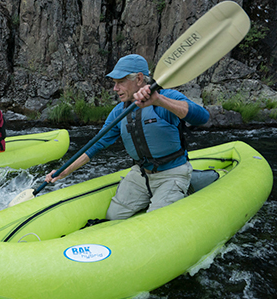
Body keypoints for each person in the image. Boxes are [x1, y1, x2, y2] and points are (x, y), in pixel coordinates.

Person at [45, 54, 210, 220]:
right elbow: (97, 144)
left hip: (172, 173)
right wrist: (65, 170)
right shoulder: (119, 112)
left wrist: (159, 101)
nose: (115, 89)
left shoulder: (166, 98)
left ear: (139, 79)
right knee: (113, 215)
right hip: (141, 174)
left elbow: (203, 117)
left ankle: (186, 186)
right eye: (114, 83)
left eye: (120, 82)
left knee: (155, 221)